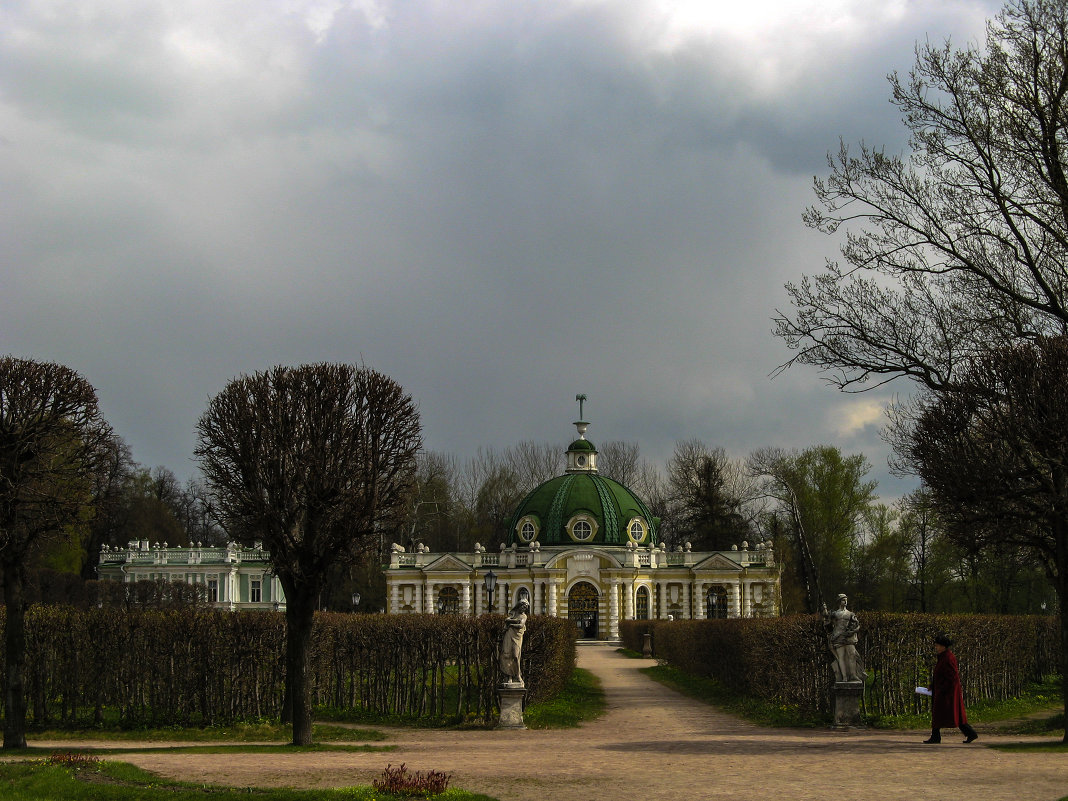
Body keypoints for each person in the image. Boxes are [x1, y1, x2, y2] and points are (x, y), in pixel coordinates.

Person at [925, 634, 978, 744]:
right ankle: (937, 735)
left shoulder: (948, 658)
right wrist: (933, 685)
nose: (936, 647)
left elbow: (952, 677)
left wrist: (942, 688)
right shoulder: (943, 657)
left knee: (949, 713)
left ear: (943, 646)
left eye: (938, 645)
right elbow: (939, 675)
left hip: (947, 692)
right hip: (943, 690)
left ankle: (969, 733)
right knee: (947, 713)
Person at [821, 593, 866, 682]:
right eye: (843, 600)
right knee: (841, 657)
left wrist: (853, 631)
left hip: (848, 637)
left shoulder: (850, 614)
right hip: (837, 637)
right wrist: (824, 609)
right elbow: (826, 618)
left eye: (846, 600)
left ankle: (853, 675)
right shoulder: (835, 613)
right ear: (839, 602)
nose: (845, 602)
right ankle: (844, 676)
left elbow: (857, 625)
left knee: (852, 655)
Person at [499, 599, 529, 685]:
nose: (523, 609)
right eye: (522, 606)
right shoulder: (514, 613)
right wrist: (514, 621)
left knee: (516, 656)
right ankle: (509, 676)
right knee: (507, 654)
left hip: (517, 636)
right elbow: (506, 619)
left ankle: (518, 675)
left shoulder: (524, 616)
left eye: (525, 608)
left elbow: (521, 625)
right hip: (509, 634)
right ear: (519, 605)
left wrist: (511, 623)